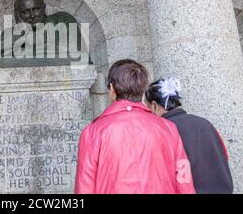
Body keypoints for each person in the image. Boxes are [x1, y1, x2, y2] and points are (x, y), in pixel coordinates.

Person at [75, 59, 195, 194]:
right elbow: (184, 179)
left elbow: (84, 187)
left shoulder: (93, 132)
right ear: (143, 89)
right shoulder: (168, 128)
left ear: (112, 88)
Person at [145, 78, 233, 194]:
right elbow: (224, 155)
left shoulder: (163, 130)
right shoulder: (204, 123)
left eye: (148, 107)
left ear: (155, 105)